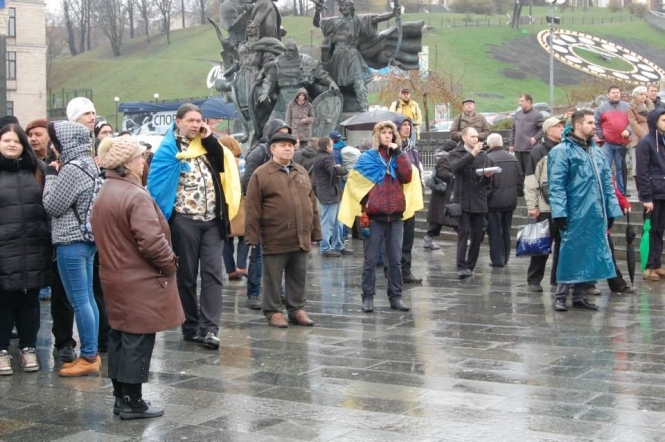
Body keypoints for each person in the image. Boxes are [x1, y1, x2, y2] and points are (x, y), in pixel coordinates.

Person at [92, 137, 183, 420]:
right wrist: (170, 265)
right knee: (138, 340)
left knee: (120, 336)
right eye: (140, 157)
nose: (144, 162)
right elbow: (152, 242)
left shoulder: (106, 190)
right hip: (139, 280)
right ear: (127, 163)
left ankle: (121, 397)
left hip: (115, 277)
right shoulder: (135, 195)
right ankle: (133, 401)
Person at [147, 103, 239, 350]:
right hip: (184, 221)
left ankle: (210, 329)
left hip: (212, 221)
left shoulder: (208, 146)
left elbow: (223, 166)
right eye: (191, 120)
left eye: (200, 120)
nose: (197, 125)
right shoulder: (169, 149)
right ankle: (190, 325)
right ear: (178, 121)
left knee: (212, 274)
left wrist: (209, 140)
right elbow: (158, 184)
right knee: (186, 276)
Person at [339, 121, 417, 313]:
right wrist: (366, 209)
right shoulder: (368, 158)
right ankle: (367, 297)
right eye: (384, 132)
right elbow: (357, 185)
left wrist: (399, 153)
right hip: (374, 217)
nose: (388, 136)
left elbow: (407, 177)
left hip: (396, 216)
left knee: (395, 260)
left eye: (391, 132)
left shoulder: (398, 156)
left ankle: (396, 297)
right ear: (377, 136)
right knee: (370, 260)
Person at [245, 131, 321, 328]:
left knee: (298, 275)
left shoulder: (301, 171)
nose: (288, 148)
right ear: (272, 149)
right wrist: (252, 238)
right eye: (282, 145)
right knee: (272, 277)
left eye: (290, 145)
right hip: (274, 235)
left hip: (300, 235)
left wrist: (316, 232)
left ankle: (296, 309)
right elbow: (252, 208)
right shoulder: (261, 174)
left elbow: (312, 203)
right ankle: (274, 312)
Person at [548, 110, 623, 311]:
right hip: (574, 210)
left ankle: (580, 295)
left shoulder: (597, 152)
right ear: (578, 125)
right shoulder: (561, 151)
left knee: (590, 251)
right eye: (590, 122)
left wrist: (611, 210)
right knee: (570, 251)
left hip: (595, 212)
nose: (594, 126)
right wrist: (560, 212)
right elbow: (556, 184)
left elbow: (607, 183)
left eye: (594, 122)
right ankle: (561, 295)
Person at [43, 121, 101, 376]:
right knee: (87, 299)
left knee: (80, 301)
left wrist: (51, 177)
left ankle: (88, 357)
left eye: (55, 142)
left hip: (70, 241)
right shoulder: (89, 163)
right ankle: (92, 352)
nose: (54, 147)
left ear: (64, 143)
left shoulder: (72, 169)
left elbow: (52, 206)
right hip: (87, 240)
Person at [0, 124, 52, 376]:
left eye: (16, 141)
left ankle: (28, 347)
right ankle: (1, 352)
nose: (11, 144)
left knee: (31, 300)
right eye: (6, 140)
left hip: (34, 245)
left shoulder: (38, 170)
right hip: (4, 247)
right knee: (4, 300)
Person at [313, 0, 400, 111]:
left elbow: (377, 18)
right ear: (340, 8)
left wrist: (392, 13)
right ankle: (332, 109)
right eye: (343, 6)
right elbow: (317, 23)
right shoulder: (333, 22)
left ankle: (364, 108)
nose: (345, 8)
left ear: (351, 8)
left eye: (347, 5)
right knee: (334, 83)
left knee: (358, 81)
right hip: (337, 57)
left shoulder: (358, 21)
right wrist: (317, 11)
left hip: (353, 55)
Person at [241, 119, 292, 310]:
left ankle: (277, 290)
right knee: (258, 255)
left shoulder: (287, 156)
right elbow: (247, 183)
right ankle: (253, 292)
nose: (284, 137)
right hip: (262, 214)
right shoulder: (258, 152)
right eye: (280, 132)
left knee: (278, 255)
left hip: (280, 217)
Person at [524, 117, 563, 292]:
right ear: (549, 130)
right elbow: (531, 180)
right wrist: (532, 206)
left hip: (563, 206)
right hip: (544, 206)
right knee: (541, 245)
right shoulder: (538, 151)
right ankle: (534, 279)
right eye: (558, 126)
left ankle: (557, 279)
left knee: (562, 245)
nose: (562, 128)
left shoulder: (566, 148)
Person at [449, 127, 495, 278]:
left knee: (477, 234)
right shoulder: (456, 153)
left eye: (477, 137)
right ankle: (461, 265)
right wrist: (472, 154)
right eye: (472, 136)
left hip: (478, 200)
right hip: (462, 199)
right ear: (464, 138)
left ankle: (470, 265)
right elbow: (456, 168)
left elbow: (487, 182)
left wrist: (487, 176)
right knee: (464, 232)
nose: (476, 139)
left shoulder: (484, 155)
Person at [636, 107, 665, 281]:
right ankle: (648, 266)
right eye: (663, 120)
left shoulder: (662, 141)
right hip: (653, 194)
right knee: (651, 229)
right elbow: (643, 172)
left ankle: (657, 263)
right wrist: (646, 198)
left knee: (660, 230)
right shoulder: (646, 143)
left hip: (664, 192)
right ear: (655, 122)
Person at [486, 133, 522, 268]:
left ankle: (497, 259)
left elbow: (487, 182)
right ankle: (505, 257)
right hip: (510, 201)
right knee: (506, 230)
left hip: (493, 202)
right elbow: (520, 180)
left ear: (489, 144)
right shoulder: (513, 159)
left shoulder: (488, 158)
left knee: (495, 231)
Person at [394, 116, 423, 283]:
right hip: (396, 198)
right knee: (395, 239)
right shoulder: (394, 148)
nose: (407, 128)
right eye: (404, 125)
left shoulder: (412, 148)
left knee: (408, 239)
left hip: (410, 200)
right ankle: (394, 271)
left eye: (409, 125)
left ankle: (406, 271)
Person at [313, 137, 351, 257]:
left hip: (332, 193)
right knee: (328, 223)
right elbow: (337, 171)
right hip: (329, 194)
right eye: (331, 145)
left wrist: (338, 168)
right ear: (328, 147)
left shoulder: (320, 157)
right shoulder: (326, 158)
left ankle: (338, 245)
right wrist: (340, 168)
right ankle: (325, 248)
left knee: (337, 222)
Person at [220, 136, 249, 281]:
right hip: (240, 201)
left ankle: (230, 270)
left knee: (227, 237)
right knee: (244, 234)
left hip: (224, 203)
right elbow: (245, 182)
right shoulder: (241, 162)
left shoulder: (217, 162)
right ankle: (241, 266)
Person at [594, 85, 632, 196]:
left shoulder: (628, 107)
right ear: (608, 94)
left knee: (621, 168)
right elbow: (596, 123)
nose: (616, 94)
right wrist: (602, 136)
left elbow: (633, 122)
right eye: (613, 92)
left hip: (622, 143)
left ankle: (621, 191)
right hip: (607, 144)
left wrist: (628, 131)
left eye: (617, 92)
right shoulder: (601, 108)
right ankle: (607, 190)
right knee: (606, 167)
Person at [424, 140, 457, 250]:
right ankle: (465, 237)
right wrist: (454, 175)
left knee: (439, 219)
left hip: (443, 194)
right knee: (449, 217)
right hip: (443, 194)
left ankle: (428, 240)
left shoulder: (444, 158)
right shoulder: (444, 159)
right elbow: (443, 173)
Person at [509, 94, 544, 174]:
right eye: (519, 101)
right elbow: (513, 130)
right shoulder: (517, 114)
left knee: (530, 172)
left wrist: (535, 138)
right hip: (517, 149)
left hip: (529, 150)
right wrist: (511, 144)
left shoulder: (537, 115)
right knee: (518, 172)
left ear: (528, 102)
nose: (519, 103)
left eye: (522, 101)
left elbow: (543, 129)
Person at [628, 86, 653, 181]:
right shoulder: (631, 107)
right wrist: (644, 135)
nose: (643, 96)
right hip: (638, 137)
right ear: (635, 95)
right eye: (641, 94)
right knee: (637, 164)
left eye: (645, 94)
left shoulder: (650, 106)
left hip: (652, 134)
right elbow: (632, 122)